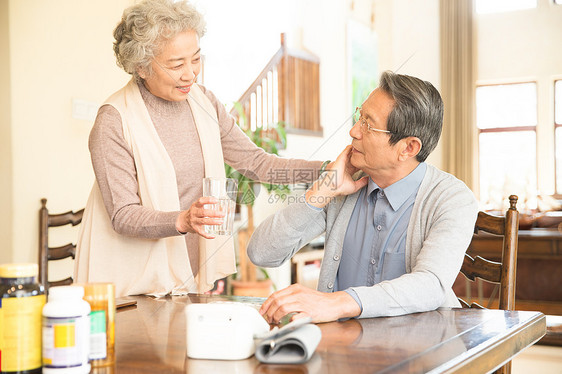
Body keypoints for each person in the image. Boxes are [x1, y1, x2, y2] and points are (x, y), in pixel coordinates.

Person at [74, 0, 323, 298]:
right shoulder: (114, 119)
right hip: (131, 288)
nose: (190, 74)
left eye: (196, 59)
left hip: (190, 277)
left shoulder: (204, 102)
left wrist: (327, 169)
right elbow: (124, 215)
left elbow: (257, 163)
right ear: (140, 66)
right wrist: (183, 220)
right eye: (176, 64)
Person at [248, 71, 478, 323]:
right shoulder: (345, 184)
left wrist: (339, 302)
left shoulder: (452, 199)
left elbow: (431, 284)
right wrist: (322, 191)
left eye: (368, 124)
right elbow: (261, 253)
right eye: (360, 117)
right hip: (341, 347)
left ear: (408, 148)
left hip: (419, 351)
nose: (354, 131)